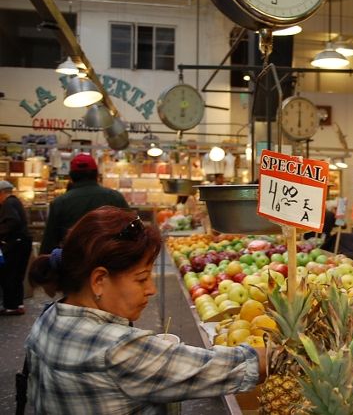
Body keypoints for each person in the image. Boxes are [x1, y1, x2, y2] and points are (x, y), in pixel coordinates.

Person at [26, 206, 265, 413]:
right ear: (99, 280)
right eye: (141, 279)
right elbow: (226, 367)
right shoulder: (118, 349)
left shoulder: (47, 318)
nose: (151, 289)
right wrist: (279, 354)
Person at [40, 153, 129, 254]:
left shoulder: (60, 203)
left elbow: (49, 244)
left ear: (71, 177)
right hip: (109, 261)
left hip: (74, 263)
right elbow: (134, 233)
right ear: (96, 174)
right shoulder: (115, 197)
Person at [0, 181, 32, 315]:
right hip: (22, 243)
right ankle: (18, 304)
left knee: (9, 274)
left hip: (15, 244)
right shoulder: (15, 202)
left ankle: (11, 306)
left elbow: (13, 221)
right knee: (17, 275)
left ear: (1, 193)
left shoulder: (8, 203)